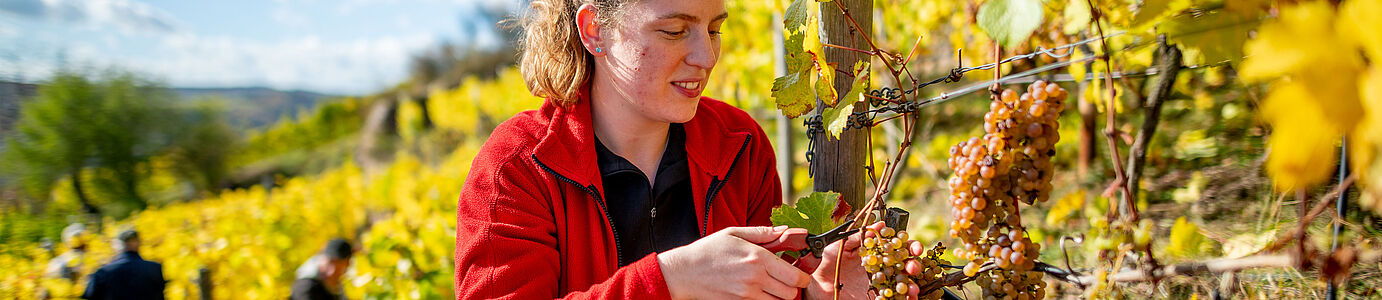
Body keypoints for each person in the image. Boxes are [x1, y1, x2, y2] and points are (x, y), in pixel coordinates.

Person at [454, 0, 874, 298]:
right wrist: (672, 279)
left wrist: (814, 293)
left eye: (714, 30)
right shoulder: (516, 168)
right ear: (594, 30)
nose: (706, 57)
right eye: (674, 31)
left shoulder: (739, 144)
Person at [82, 229, 166, 300]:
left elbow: (89, 296)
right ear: (139, 243)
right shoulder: (155, 268)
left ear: (117, 244)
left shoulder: (104, 271)